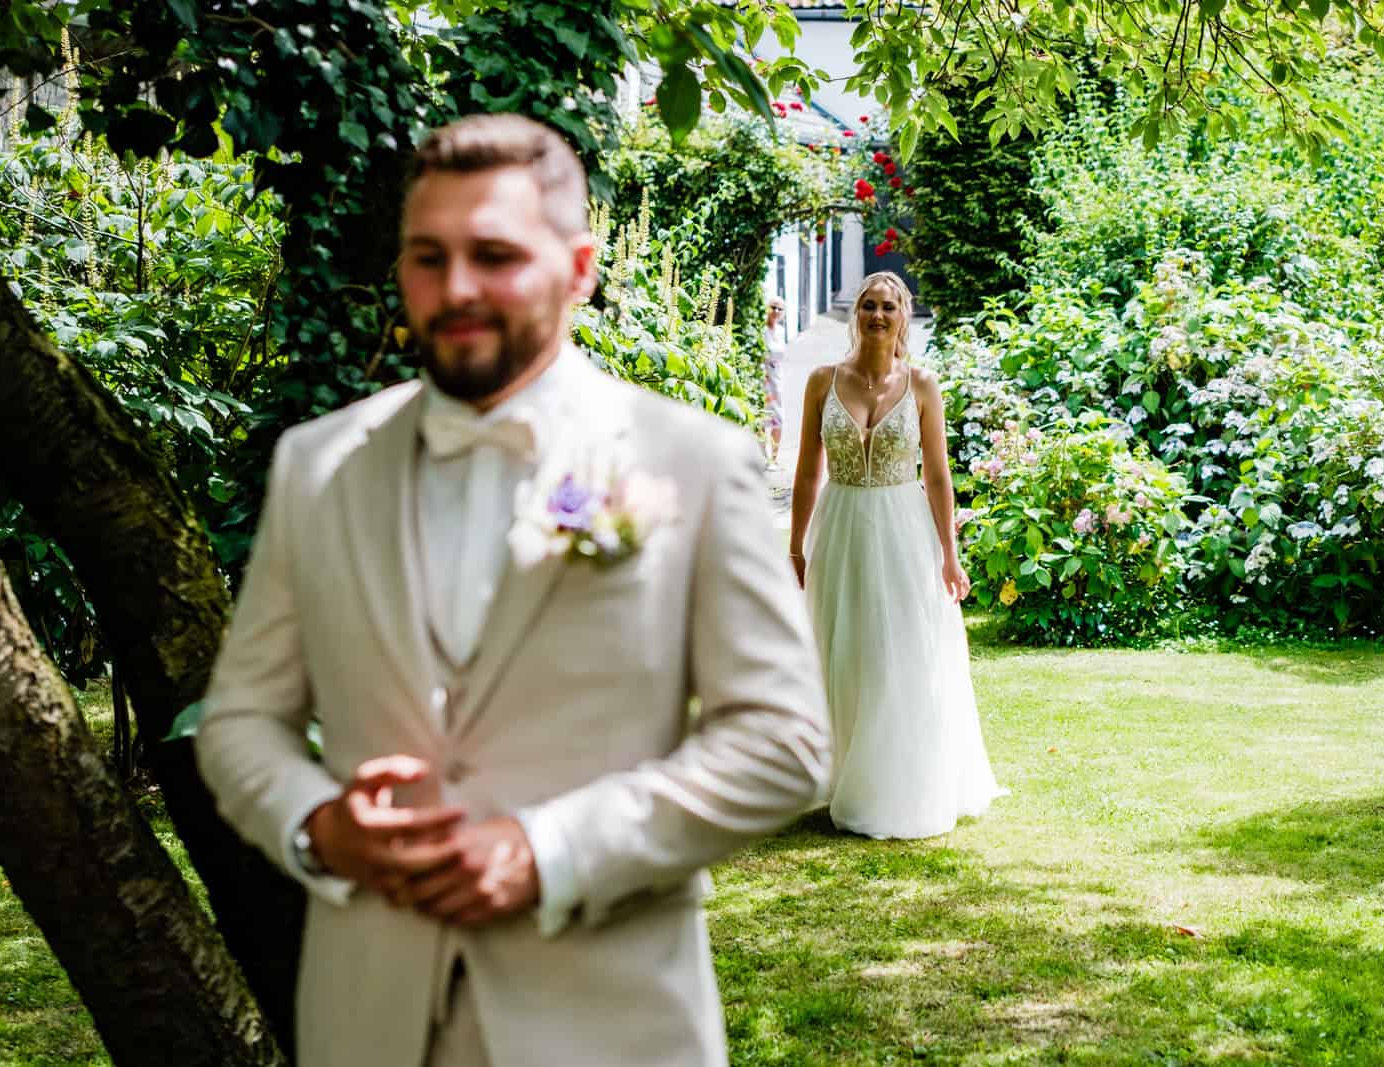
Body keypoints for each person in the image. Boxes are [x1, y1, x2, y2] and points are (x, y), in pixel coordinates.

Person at [196, 114, 831, 1067]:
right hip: (367, 1015)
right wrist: (319, 824)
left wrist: (550, 849)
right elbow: (240, 718)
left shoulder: (694, 465)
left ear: (578, 269)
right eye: (426, 257)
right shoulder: (317, 467)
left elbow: (784, 741)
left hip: (609, 1015)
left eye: (493, 255)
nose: (454, 289)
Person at [787, 271, 1006, 840]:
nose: (877, 316)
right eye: (868, 306)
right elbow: (807, 472)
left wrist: (950, 556)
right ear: (855, 315)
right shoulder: (820, 383)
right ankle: (838, 771)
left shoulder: (923, 385)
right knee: (842, 646)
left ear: (903, 316)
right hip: (840, 526)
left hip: (903, 529)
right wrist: (794, 544)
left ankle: (894, 780)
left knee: (899, 649)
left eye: (888, 306)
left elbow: (937, 476)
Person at [761, 297, 788, 466]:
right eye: (773, 307)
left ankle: (774, 458)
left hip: (777, 379)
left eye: (780, 309)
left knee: (778, 418)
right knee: (762, 418)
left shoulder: (780, 331)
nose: (776, 312)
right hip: (763, 378)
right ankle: (762, 457)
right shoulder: (761, 330)